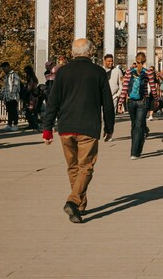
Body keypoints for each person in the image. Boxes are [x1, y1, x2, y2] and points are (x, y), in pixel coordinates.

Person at [41, 38, 115, 224]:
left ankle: (79, 207)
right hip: (88, 127)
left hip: (66, 127)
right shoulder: (98, 72)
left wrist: (47, 129)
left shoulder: (63, 72)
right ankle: (73, 201)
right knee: (86, 167)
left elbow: (53, 102)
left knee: (73, 167)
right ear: (90, 52)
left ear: (73, 53)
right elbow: (107, 103)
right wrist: (109, 127)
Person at [119, 51, 159, 159]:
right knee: (139, 126)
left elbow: (125, 88)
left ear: (136, 60)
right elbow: (153, 88)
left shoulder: (128, 72)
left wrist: (120, 102)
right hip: (143, 101)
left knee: (134, 125)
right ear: (145, 61)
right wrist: (156, 99)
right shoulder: (148, 72)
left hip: (131, 101)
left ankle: (134, 149)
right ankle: (135, 152)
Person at [0, 62, 22, 131]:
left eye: (4, 69)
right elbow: (5, 86)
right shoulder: (6, 76)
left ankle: (15, 124)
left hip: (13, 96)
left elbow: (15, 86)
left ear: (8, 67)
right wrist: (3, 95)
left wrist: (12, 96)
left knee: (14, 111)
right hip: (7, 96)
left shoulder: (14, 75)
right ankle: (9, 124)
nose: (4, 71)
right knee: (9, 111)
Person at [23, 65, 42, 132]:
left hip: (32, 96)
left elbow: (29, 88)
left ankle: (34, 125)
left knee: (31, 111)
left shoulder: (30, 78)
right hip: (35, 95)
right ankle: (34, 125)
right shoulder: (34, 78)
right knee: (33, 111)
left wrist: (24, 89)